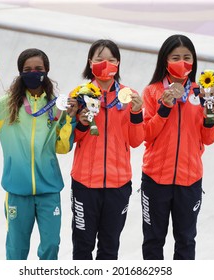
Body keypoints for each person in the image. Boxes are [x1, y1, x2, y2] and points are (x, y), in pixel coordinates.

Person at [0, 48, 78, 260]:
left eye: (38, 69)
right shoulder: (7, 105)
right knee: (16, 250)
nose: (33, 72)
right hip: (17, 192)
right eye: (27, 69)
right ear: (20, 72)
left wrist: (70, 119)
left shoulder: (57, 106)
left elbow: (63, 147)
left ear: (46, 71)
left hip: (48, 190)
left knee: (51, 246)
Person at [140, 34, 214, 260]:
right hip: (155, 178)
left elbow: (209, 138)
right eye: (175, 57)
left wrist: (210, 117)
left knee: (185, 241)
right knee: (153, 240)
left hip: (189, 179)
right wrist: (165, 106)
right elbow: (146, 134)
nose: (182, 62)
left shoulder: (201, 93)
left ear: (194, 61)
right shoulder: (152, 92)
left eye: (187, 57)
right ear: (165, 60)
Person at [69, 39, 145, 260]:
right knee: (82, 247)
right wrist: (81, 122)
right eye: (99, 59)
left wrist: (136, 113)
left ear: (118, 63)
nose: (106, 64)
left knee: (110, 248)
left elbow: (135, 141)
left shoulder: (129, 95)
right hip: (85, 183)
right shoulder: (78, 94)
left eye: (111, 60)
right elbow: (68, 139)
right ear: (90, 62)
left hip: (118, 184)